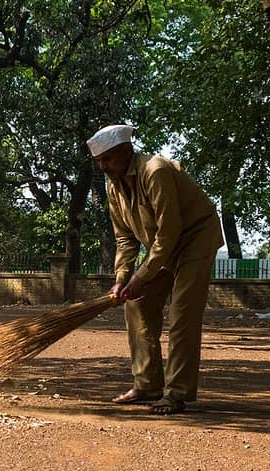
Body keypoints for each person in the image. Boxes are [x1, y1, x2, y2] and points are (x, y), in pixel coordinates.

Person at [87, 123, 224, 415]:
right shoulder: (114, 186)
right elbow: (124, 238)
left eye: (107, 159)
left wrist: (142, 276)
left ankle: (176, 393)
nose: (102, 167)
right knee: (136, 303)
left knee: (182, 313)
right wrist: (122, 279)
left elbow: (169, 232)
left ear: (126, 151)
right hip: (164, 246)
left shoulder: (155, 170)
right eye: (98, 161)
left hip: (195, 238)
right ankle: (147, 384)